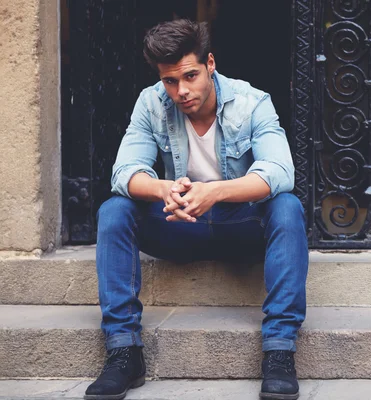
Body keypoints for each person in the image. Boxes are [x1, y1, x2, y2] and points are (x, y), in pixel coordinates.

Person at [84, 19, 308, 400]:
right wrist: (163, 188)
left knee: (287, 207)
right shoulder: (151, 102)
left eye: (190, 76)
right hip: (179, 224)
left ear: (210, 63)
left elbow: (279, 172)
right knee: (114, 210)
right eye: (170, 81)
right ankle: (124, 351)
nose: (181, 91)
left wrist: (216, 192)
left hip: (242, 227)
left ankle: (279, 351)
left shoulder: (252, 102)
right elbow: (124, 172)